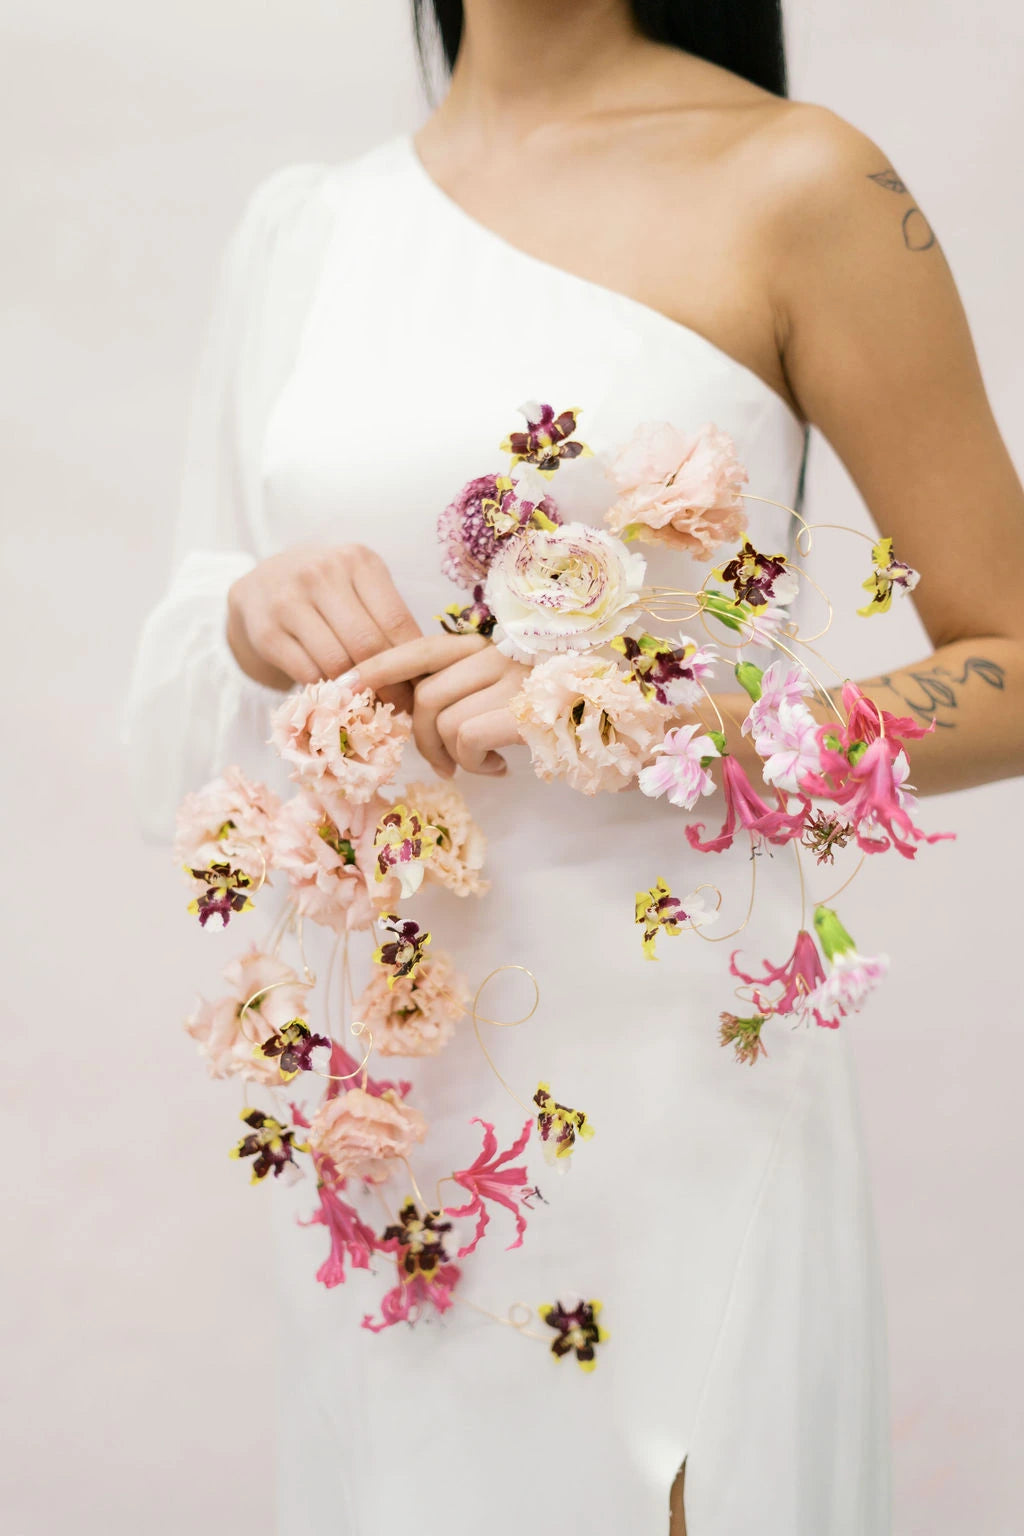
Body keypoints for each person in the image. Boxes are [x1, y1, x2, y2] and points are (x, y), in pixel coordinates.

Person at [126, 3, 1024, 1532]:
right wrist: (247, 617)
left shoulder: (803, 184)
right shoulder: (310, 230)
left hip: (680, 1088)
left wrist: (677, 731)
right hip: (389, 1116)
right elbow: (175, 670)